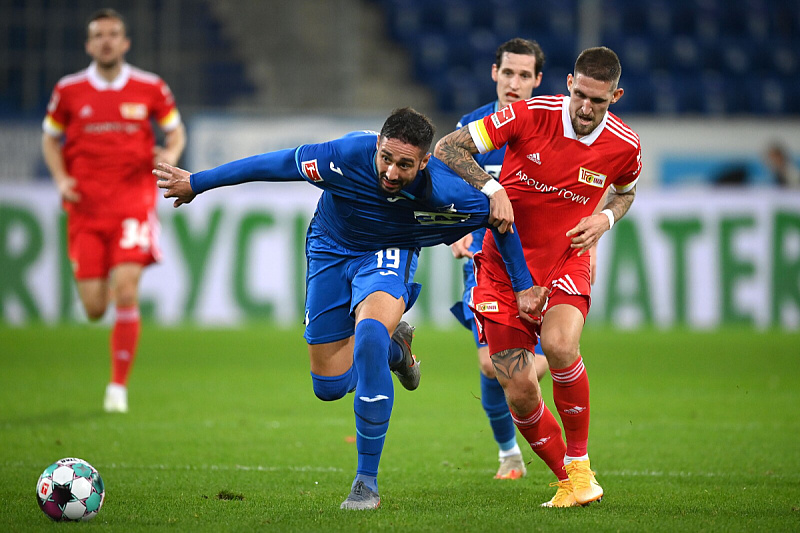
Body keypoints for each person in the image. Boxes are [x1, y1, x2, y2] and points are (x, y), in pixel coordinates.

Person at [153, 108, 548, 510]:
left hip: (387, 254)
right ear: (377, 146)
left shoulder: (448, 192)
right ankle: (398, 350)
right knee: (328, 386)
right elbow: (277, 163)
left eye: (405, 165)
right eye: (386, 159)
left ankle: (366, 484)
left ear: (425, 162)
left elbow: (502, 222)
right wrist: (197, 182)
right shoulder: (342, 156)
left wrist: (523, 288)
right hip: (330, 247)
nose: (392, 173)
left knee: (369, 337)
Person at [435, 47, 641, 507]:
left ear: (616, 96)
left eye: (600, 101)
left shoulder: (626, 145)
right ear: (569, 83)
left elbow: (626, 192)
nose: (587, 109)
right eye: (581, 96)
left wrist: (606, 219)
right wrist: (493, 190)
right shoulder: (528, 114)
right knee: (518, 386)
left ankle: (581, 462)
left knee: (561, 346)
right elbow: (446, 148)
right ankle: (571, 481)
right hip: (500, 269)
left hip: (566, 260)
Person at [41, 8, 186, 414]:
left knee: (126, 288)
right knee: (93, 308)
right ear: (89, 45)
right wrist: (60, 179)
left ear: (125, 43)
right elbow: (50, 140)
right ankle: (109, 322)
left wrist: (170, 153)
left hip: (132, 203)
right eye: (98, 35)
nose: (106, 41)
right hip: (85, 209)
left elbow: (175, 129)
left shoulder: (150, 87)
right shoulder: (68, 91)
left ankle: (117, 387)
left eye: (113, 34)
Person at [448, 37, 549, 481]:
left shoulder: (550, 127)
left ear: (538, 80)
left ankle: (557, 443)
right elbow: (448, 188)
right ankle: (509, 453)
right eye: (508, 72)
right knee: (492, 366)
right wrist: (454, 231)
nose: (514, 82)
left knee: (536, 363)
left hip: (542, 265)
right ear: (494, 73)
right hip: (485, 264)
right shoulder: (471, 128)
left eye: (524, 75)